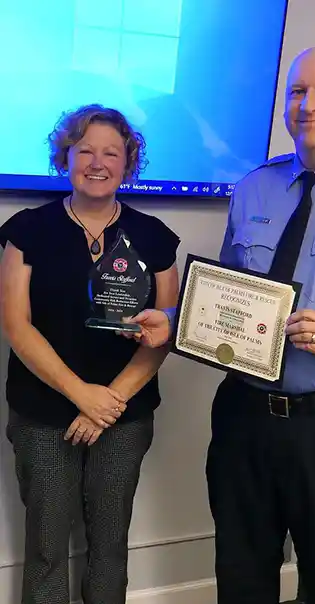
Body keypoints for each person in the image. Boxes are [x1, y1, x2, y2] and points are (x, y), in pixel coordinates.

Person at [128, 47, 315, 604]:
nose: (309, 104)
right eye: (298, 92)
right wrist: (174, 323)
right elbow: (230, 300)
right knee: (241, 570)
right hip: (244, 419)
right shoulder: (256, 186)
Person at [0, 104, 180, 604]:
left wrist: (109, 402)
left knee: (109, 547)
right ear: (66, 157)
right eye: (85, 151)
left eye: (111, 152)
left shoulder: (156, 238)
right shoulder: (27, 230)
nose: (97, 162)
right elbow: (16, 324)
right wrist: (82, 395)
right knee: (47, 549)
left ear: (128, 163)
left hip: (123, 416)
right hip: (44, 414)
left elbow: (165, 331)